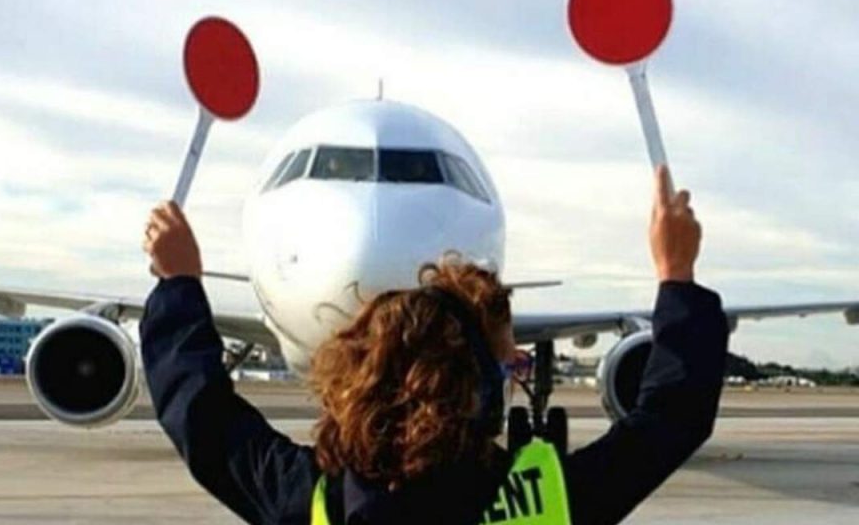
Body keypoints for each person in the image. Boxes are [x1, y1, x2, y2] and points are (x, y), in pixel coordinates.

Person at [140, 165, 729, 525]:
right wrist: (676, 275)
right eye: (504, 364)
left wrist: (178, 285)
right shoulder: (540, 498)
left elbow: (202, 416)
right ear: (480, 389)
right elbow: (671, 416)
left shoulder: (317, 499)